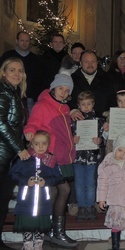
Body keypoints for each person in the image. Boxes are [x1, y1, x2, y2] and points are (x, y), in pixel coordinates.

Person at [24, 73, 78, 247]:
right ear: (53, 87)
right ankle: (57, 233)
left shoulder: (65, 108)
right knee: (63, 190)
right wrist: (29, 132)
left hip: (62, 157)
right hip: (50, 156)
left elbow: (65, 132)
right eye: (61, 88)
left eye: (67, 90)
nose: (64, 92)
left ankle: (49, 230)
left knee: (56, 191)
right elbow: (32, 122)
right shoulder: (42, 105)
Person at [9, 130, 62, 250]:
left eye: (44, 143)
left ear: (48, 144)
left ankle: (38, 245)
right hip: (26, 200)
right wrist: (26, 181)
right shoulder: (25, 159)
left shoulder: (51, 160)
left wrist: (46, 182)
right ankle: (27, 245)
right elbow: (13, 173)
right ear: (31, 144)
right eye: (37, 143)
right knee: (27, 224)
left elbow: (57, 177)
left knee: (40, 225)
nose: (41, 146)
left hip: (43, 201)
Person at [0, 58, 30, 249]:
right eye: (12, 70)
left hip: (8, 155)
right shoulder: (3, 92)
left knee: (3, 200)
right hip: (3, 153)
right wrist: (20, 148)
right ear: (3, 72)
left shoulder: (14, 94)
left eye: (20, 70)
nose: (17, 74)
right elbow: (1, 123)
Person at [71, 91, 104, 220]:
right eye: (83, 104)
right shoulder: (73, 121)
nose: (86, 107)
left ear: (93, 104)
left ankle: (90, 206)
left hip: (92, 157)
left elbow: (102, 138)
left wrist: (99, 141)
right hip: (77, 157)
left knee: (90, 183)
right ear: (78, 105)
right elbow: (69, 136)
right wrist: (73, 139)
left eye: (88, 104)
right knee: (79, 183)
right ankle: (81, 208)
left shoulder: (98, 121)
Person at [0, 31, 42, 114]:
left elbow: (39, 79)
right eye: (22, 40)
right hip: (9, 93)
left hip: (29, 98)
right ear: (17, 41)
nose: (24, 43)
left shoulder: (36, 59)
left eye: (27, 41)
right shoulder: (7, 56)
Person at [70, 50, 115, 120]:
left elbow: (113, 101)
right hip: (79, 122)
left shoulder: (108, 79)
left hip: (102, 122)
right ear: (81, 63)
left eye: (93, 61)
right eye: (86, 62)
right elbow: (66, 99)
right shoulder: (72, 79)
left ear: (97, 63)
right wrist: (72, 110)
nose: (90, 65)